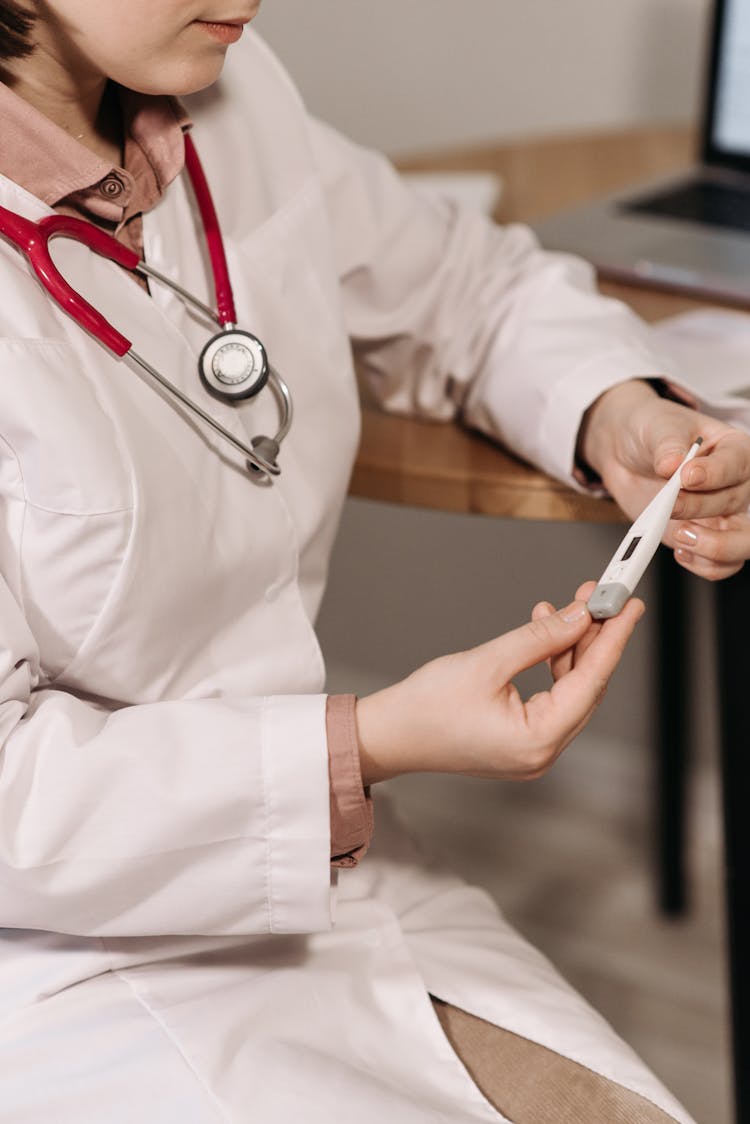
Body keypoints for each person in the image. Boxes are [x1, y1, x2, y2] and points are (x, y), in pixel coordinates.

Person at [0, 3, 747, 1122]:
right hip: (55, 955)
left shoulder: (229, 102)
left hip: (322, 857)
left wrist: (613, 410)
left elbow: (462, 281)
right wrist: (370, 743)